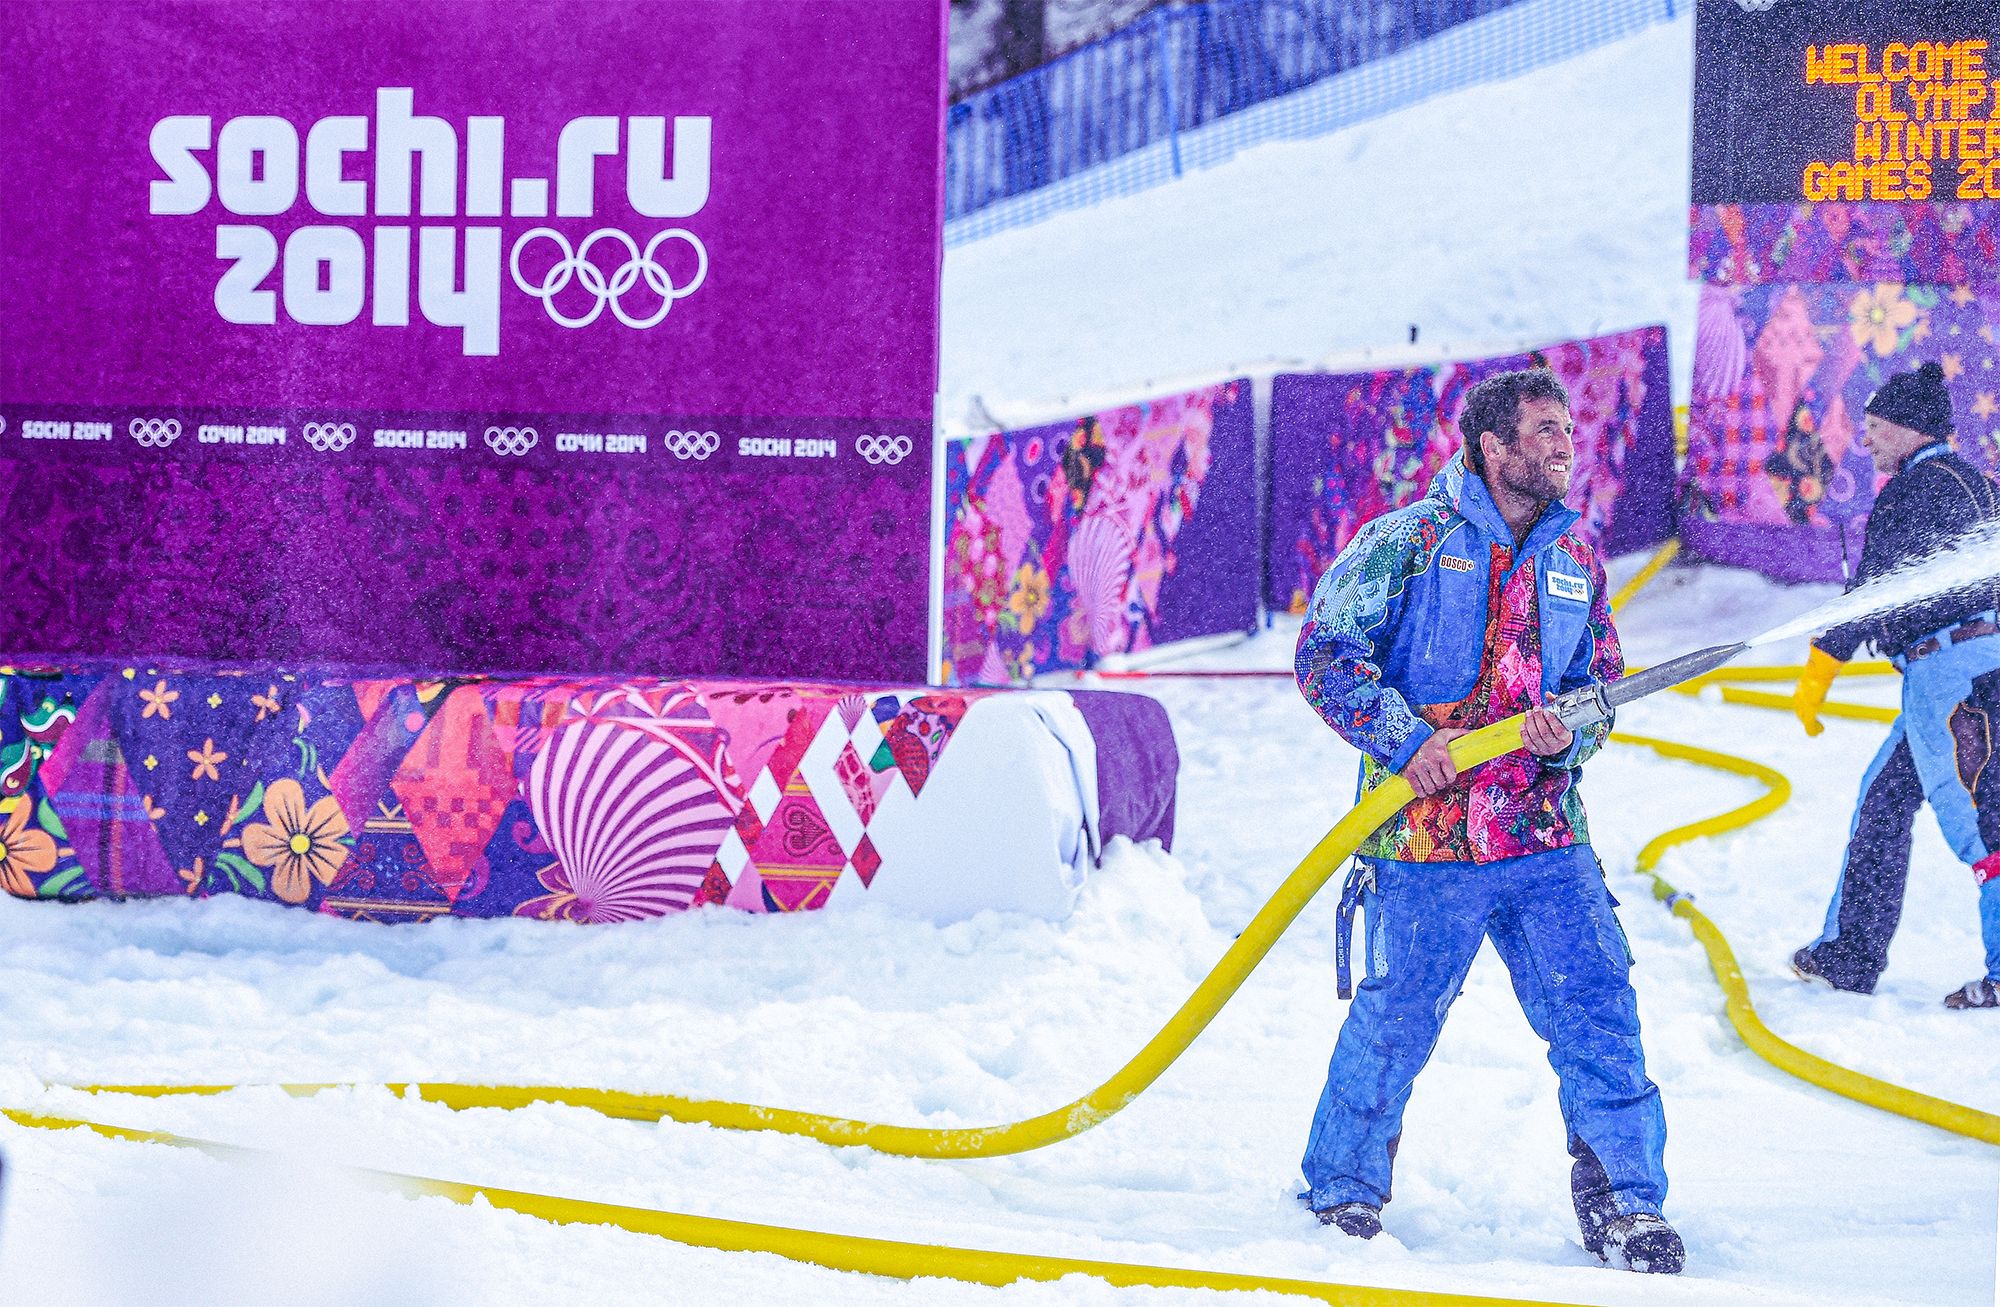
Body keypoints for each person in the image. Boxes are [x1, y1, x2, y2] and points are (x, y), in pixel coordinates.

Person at [1292, 368, 1680, 1273]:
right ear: (1493, 447)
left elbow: (1600, 683)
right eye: (1543, 429)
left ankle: (1626, 1203)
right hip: (1427, 839)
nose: (1564, 443)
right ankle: (1343, 1191)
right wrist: (1403, 740)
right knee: (1396, 1021)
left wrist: (1568, 738)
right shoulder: (1409, 541)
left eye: (1567, 427)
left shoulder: (1574, 557)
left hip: (1546, 837)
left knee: (1599, 1012)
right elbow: (1324, 653)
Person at [1789, 361, 2000, 1010]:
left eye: (1876, 427)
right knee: (1883, 799)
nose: (1867, 439)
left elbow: (1873, 590)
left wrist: (1821, 668)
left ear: (1911, 428)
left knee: (1981, 824)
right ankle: (1848, 957)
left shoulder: (1914, 490)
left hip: (1953, 682)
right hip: (1969, 669)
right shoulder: (1977, 484)